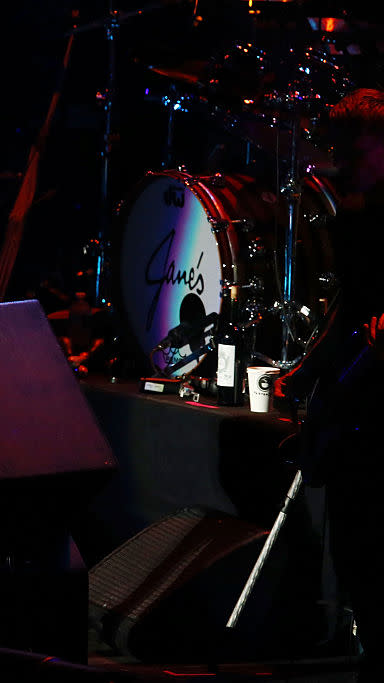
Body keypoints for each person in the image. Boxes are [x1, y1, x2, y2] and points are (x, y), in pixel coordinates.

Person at [279, 87, 384, 681]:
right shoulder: (357, 217)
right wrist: (311, 367)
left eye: (361, 151)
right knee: (351, 527)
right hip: (358, 390)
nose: (349, 163)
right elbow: (353, 302)